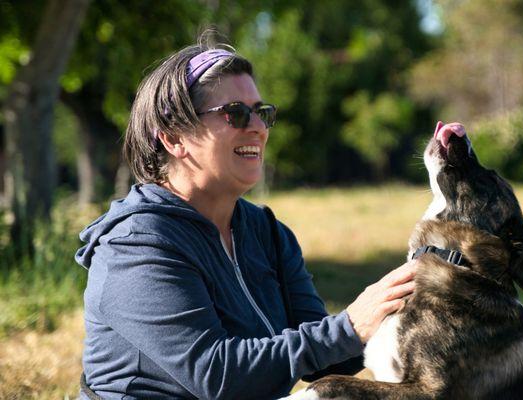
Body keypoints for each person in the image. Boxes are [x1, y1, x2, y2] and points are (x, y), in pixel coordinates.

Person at [75, 38, 417, 400]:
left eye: (262, 112)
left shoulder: (267, 233)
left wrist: (411, 301)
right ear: (174, 138)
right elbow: (219, 377)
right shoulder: (135, 244)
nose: (258, 127)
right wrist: (348, 326)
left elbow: (328, 360)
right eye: (235, 112)